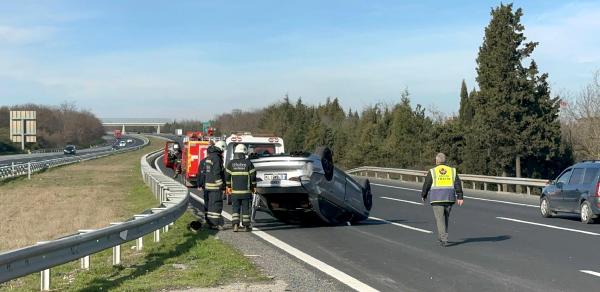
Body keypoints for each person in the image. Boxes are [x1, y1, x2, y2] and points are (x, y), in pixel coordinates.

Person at [421, 152, 464, 247]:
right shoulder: (452, 170)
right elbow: (457, 183)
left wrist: (424, 195)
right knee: (445, 218)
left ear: (436, 161)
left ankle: (444, 238)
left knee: (440, 219)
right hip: (449, 198)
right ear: (445, 161)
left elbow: (427, 184)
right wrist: (460, 196)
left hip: (437, 198)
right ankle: (441, 237)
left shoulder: (433, 171)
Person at [225, 144, 257, 232]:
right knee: (246, 209)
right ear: (244, 153)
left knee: (235, 208)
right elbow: (253, 176)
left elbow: (227, 176)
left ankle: (235, 225)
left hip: (235, 192)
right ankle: (246, 226)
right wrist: (253, 186)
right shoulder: (248, 163)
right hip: (246, 192)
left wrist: (228, 187)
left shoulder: (231, 163)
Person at [204, 140, 227, 230]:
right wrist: (221, 185)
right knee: (216, 205)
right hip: (215, 186)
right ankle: (214, 224)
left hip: (208, 185)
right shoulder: (217, 158)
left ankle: (210, 222)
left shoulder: (210, 156)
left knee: (210, 205)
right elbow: (217, 172)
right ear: (221, 148)